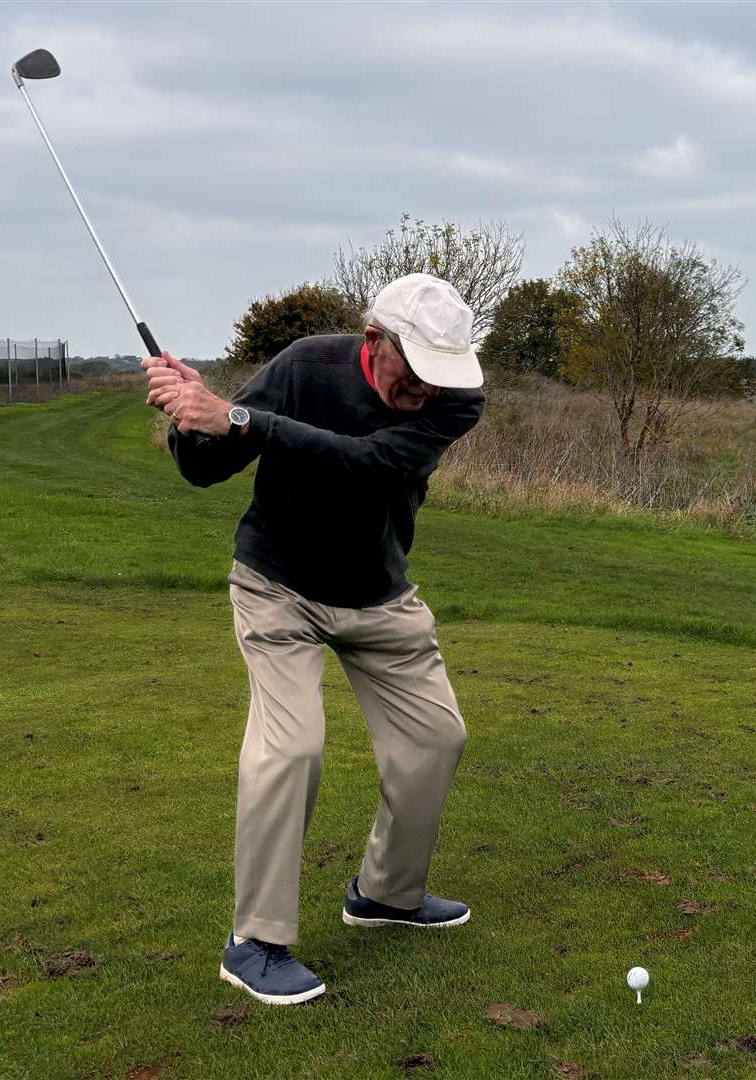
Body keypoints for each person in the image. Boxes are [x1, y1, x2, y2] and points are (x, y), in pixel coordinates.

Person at [142, 274, 486, 1005]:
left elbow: (368, 467)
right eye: (415, 370)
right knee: (291, 747)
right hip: (278, 589)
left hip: (379, 595)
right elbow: (207, 466)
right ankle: (255, 942)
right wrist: (188, 414)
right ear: (374, 341)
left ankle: (386, 894)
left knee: (438, 737)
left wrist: (239, 418)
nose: (426, 388)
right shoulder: (305, 365)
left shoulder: (458, 399)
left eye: (440, 374)